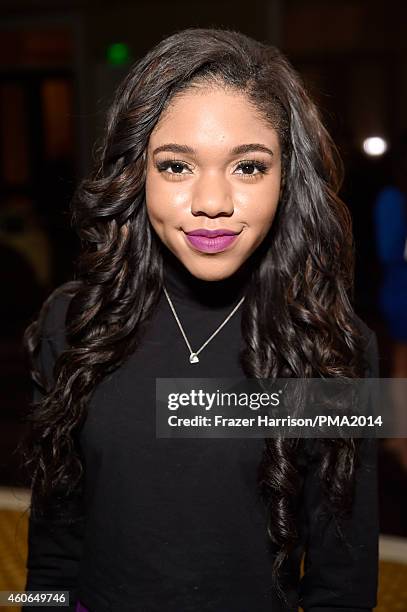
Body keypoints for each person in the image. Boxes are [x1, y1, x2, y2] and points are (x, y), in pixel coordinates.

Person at [21, 28, 379, 612]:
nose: (212, 200)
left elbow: (344, 581)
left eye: (248, 167)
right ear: (136, 175)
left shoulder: (337, 348)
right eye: (176, 166)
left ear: (288, 180)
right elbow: (53, 551)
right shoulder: (73, 324)